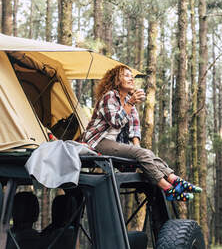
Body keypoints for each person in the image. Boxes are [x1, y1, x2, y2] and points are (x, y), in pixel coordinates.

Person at [83, 65, 201, 201]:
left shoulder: (128, 100)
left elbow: (134, 128)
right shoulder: (109, 96)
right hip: (97, 141)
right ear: (116, 80)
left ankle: (175, 180)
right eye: (127, 75)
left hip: (114, 143)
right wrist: (131, 103)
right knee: (142, 154)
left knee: (147, 153)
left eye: (132, 76)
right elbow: (115, 122)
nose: (131, 78)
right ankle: (168, 189)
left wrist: (137, 148)